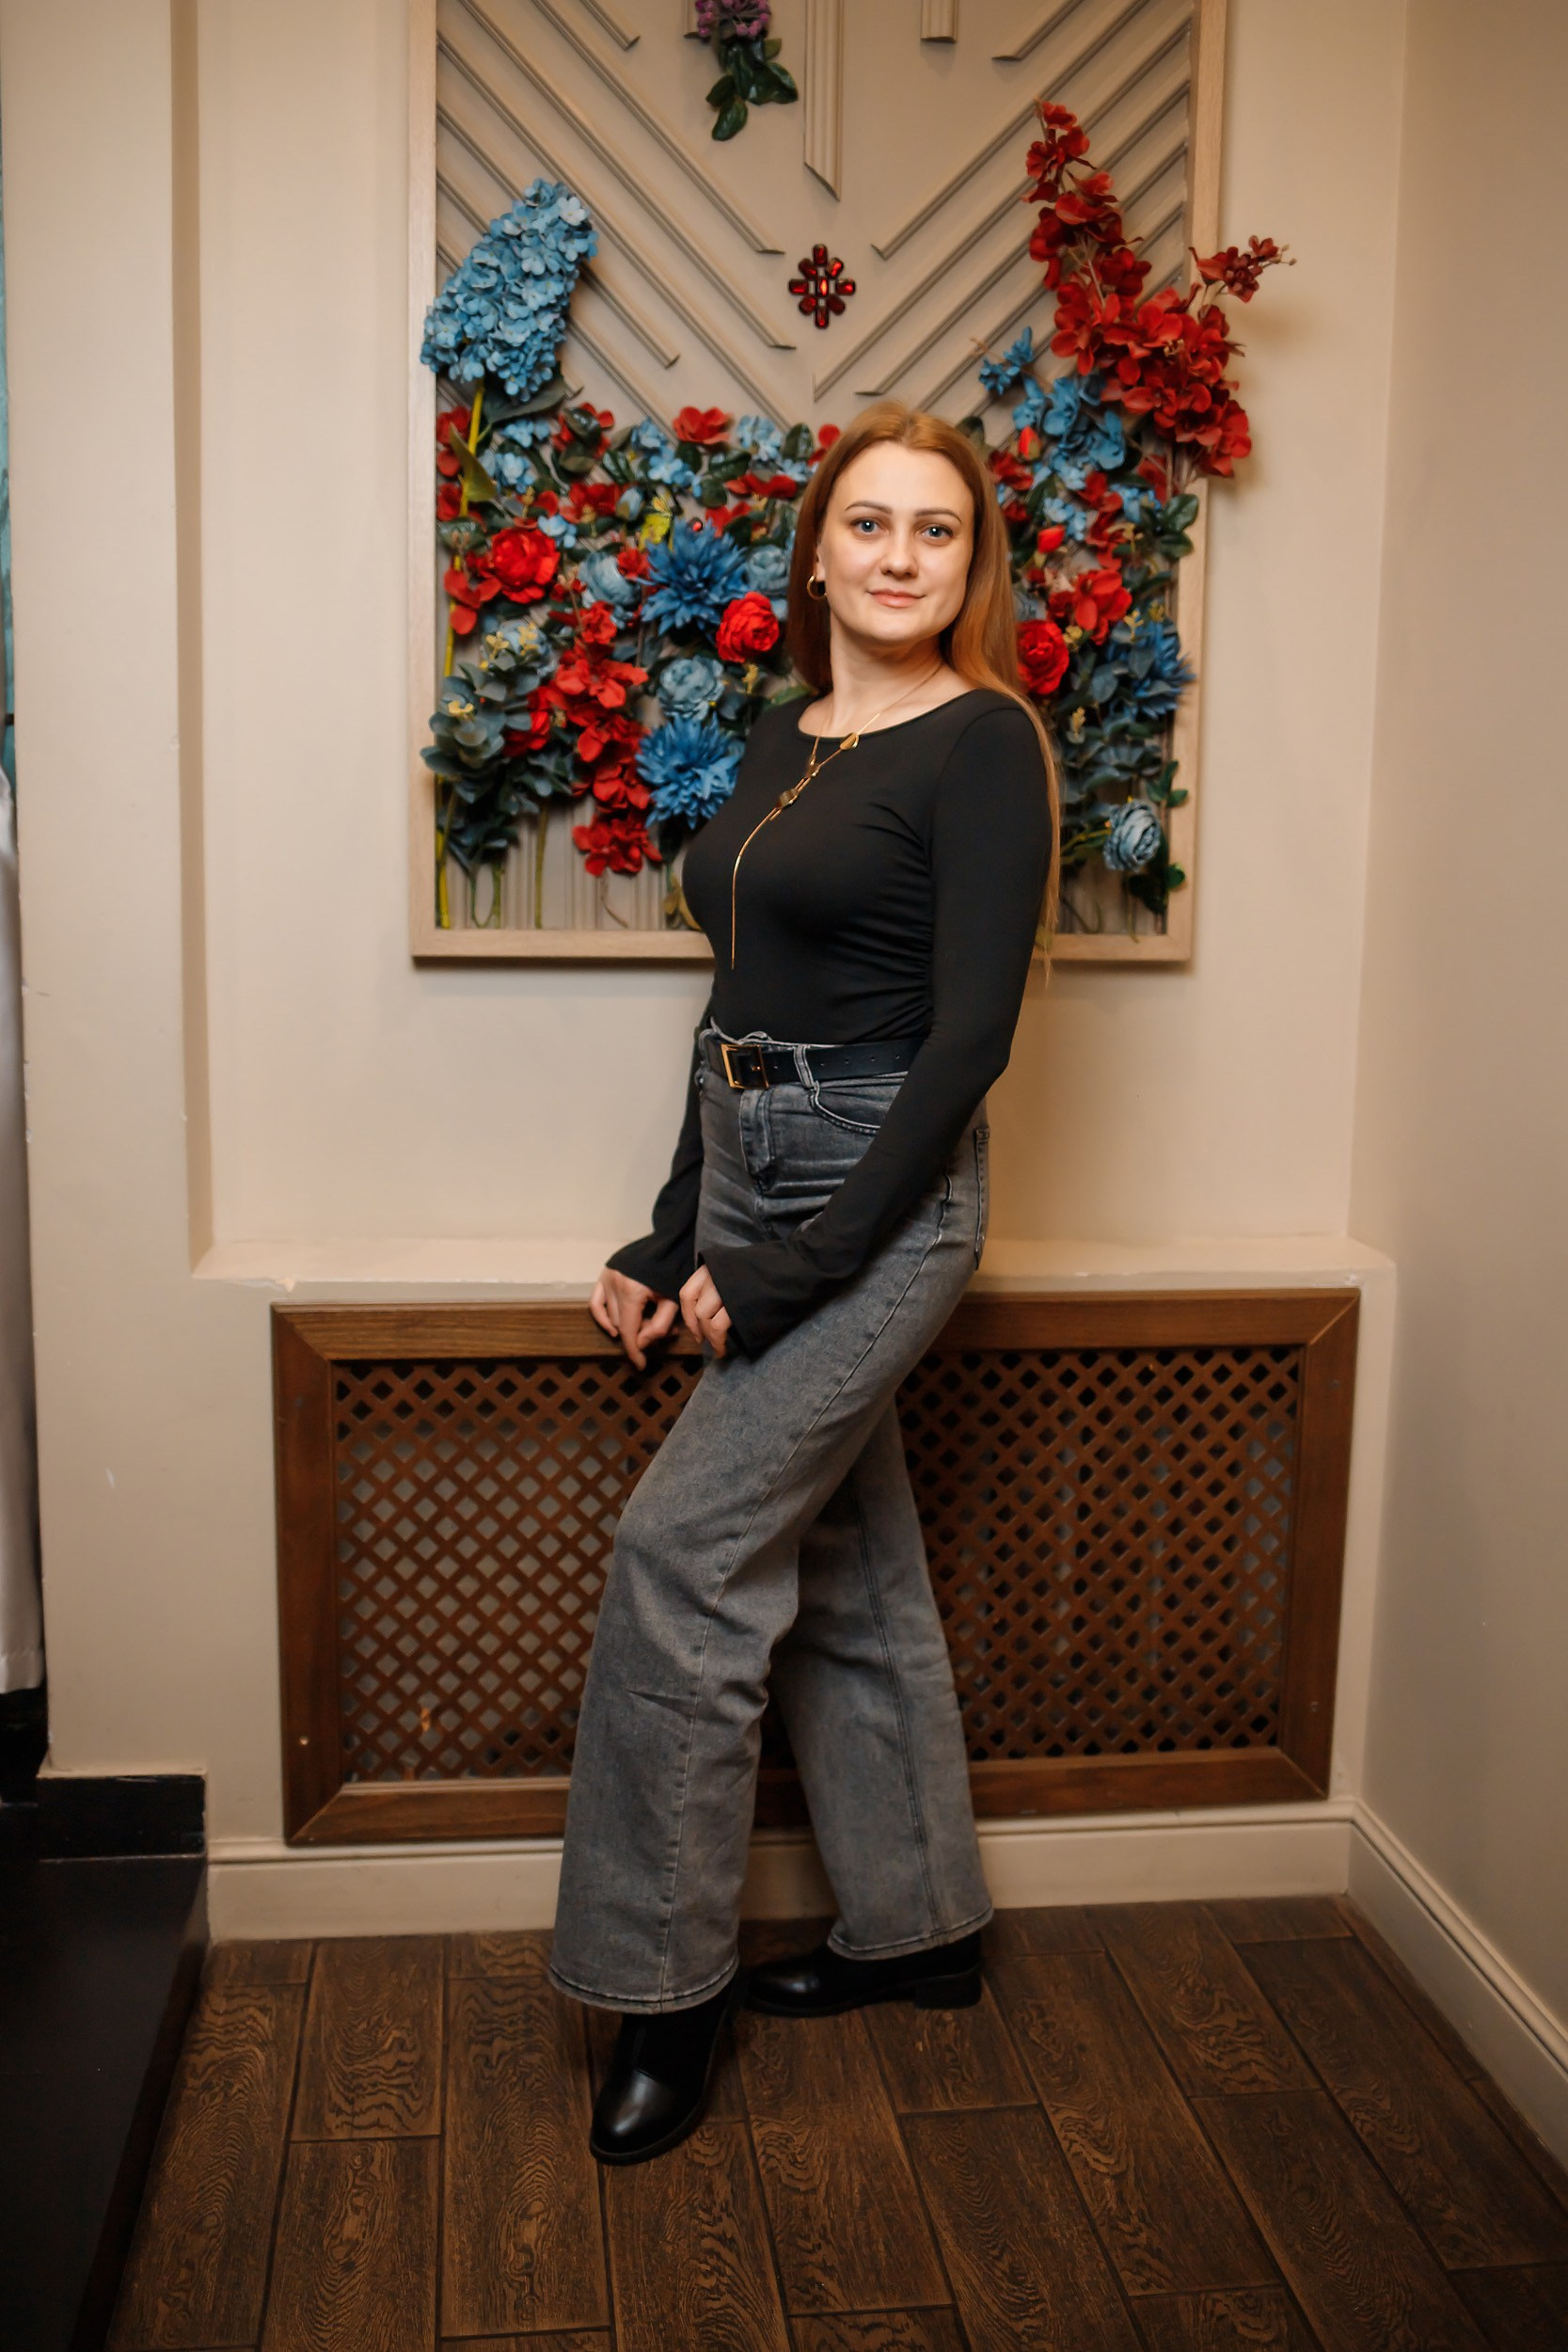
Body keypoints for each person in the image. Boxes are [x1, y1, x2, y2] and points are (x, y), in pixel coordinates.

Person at [547, 397, 1059, 2165]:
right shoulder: (789, 733)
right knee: (843, 1564)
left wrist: (794, 1271)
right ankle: (920, 1930)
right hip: (750, 1155)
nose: (902, 556)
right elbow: (736, 1003)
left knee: (679, 1560)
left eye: (938, 530)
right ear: (819, 551)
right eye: (871, 523)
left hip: (879, 1193)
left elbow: (969, 1039)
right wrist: (674, 1230)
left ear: (971, 565)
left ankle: (663, 1990)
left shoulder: (983, 743)